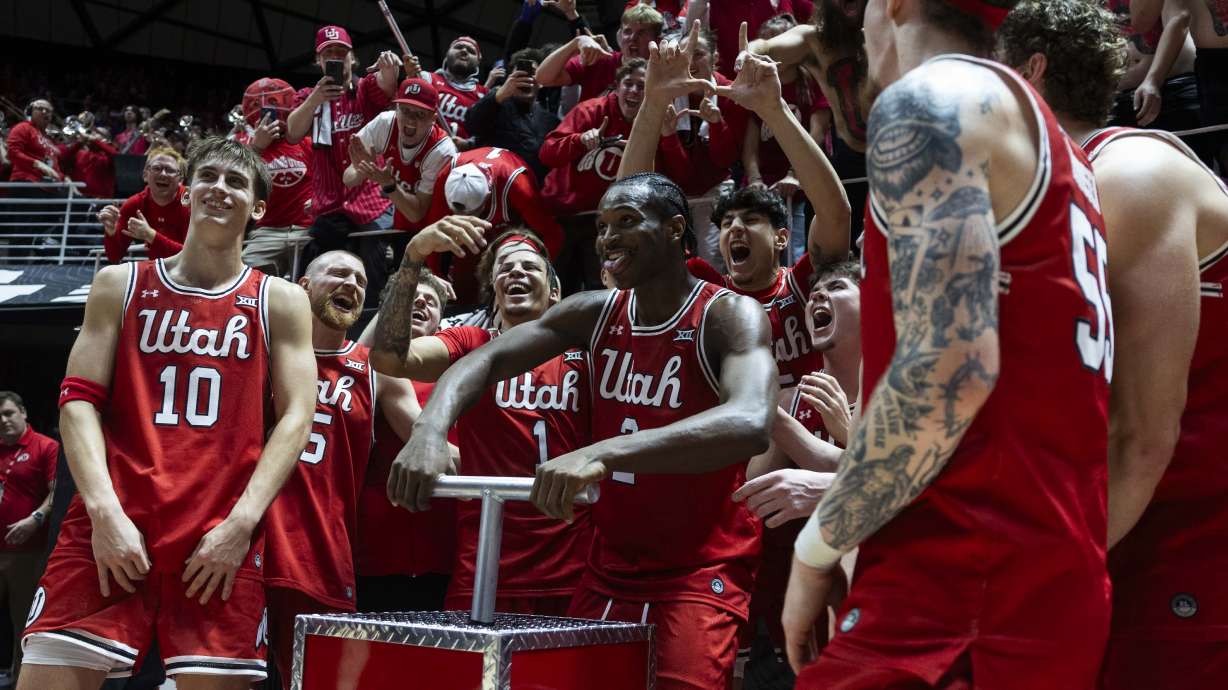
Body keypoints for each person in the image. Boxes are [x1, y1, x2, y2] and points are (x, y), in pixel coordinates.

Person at [779, 0, 1116, 686]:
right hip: (1040, 585)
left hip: (959, 591)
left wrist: (816, 549)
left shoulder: (931, 99)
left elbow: (949, 370)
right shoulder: (1057, 149)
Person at [377, 160, 777, 688]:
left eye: (626, 222)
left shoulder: (728, 315)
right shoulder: (595, 313)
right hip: (607, 568)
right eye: (603, 226)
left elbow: (750, 422)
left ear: (676, 229)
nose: (608, 238)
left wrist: (604, 452)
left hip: (697, 569)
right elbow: (484, 359)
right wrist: (430, 427)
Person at [20, 138, 316, 690]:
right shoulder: (120, 284)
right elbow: (78, 399)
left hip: (217, 530)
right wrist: (104, 514)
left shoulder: (280, 299)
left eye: (236, 182)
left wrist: (242, 525)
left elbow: (297, 417)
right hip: (113, 519)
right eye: (208, 177)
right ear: (186, 192)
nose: (219, 189)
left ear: (257, 208)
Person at [997, 2, 1228, 687]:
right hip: (1122, 522)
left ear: (1031, 75)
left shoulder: (1127, 173)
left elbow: (1143, 435)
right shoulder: (1048, 196)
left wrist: (1029, 587)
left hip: (1191, 539)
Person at [369, 227, 594, 615]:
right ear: (494, 291)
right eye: (504, 268)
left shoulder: (585, 349)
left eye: (530, 267)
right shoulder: (471, 342)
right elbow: (388, 357)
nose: (516, 272)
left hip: (572, 565)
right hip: (484, 562)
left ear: (555, 291)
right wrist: (413, 258)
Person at [617, 22, 850, 389]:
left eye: (752, 219)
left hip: (813, 430)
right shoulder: (707, 290)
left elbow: (835, 213)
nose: (735, 228)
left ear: (782, 239)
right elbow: (628, 218)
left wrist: (775, 111)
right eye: (725, 224)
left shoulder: (805, 285)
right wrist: (653, 102)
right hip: (739, 440)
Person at [263, 250, 422, 690]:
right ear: (303, 286)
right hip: (243, 550)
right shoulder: (258, 350)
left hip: (322, 558)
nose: (352, 283)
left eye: (360, 279)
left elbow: (434, 446)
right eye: (338, 273)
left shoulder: (373, 371)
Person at [733, 259, 860, 686]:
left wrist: (845, 434)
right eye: (815, 293)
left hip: (871, 609)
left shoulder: (899, 386)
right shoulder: (792, 398)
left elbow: (903, 487)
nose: (819, 297)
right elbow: (754, 497)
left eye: (838, 287)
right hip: (789, 616)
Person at [353, 271, 459, 614]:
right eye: (411, 298)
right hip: (376, 549)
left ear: (442, 321)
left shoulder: (459, 375)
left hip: (443, 548)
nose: (420, 303)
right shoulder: (368, 372)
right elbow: (366, 352)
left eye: (430, 301)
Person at [286, 25, 402, 307]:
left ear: (353, 59)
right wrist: (317, 98)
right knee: (324, 278)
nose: (336, 58)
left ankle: (369, 332)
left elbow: (386, 86)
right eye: (329, 55)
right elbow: (292, 132)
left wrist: (391, 68)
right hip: (330, 205)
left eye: (342, 53)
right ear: (319, 61)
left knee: (372, 275)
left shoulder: (365, 88)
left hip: (370, 203)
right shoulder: (308, 97)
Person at [542, 59, 661, 292]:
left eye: (642, 86)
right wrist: (578, 141)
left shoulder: (652, 120)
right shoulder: (591, 110)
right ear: (617, 87)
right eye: (629, 84)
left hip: (604, 221)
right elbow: (547, 153)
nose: (635, 91)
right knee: (554, 287)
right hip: (562, 215)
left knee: (602, 288)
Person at [422, 147, 563, 304]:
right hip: (489, 221)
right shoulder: (446, 176)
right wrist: (437, 275)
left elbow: (553, 234)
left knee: (512, 266)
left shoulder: (518, 186)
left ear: (488, 194)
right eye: (458, 214)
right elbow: (432, 234)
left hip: (512, 228)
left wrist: (542, 274)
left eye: (472, 213)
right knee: (462, 285)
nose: (466, 219)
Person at [344, 77, 457, 246]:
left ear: (433, 118)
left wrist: (389, 184)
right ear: (396, 108)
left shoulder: (442, 151)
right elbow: (348, 179)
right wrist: (363, 169)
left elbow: (417, 213)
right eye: (405, 110)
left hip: (438, 227)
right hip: (403, 219)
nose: (411, 120)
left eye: (419, 114)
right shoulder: (384, 123)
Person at [0, 392, 57, 683]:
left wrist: (34, 519)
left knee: (23, 620)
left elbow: (57, 491)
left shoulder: (45, 447)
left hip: (27, 552)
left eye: (9, 413)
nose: (3, 420)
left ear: (23, 412)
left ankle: (22, 681)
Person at [239, 78, 315, 278]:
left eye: (274, 103)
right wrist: (257, 147)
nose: (268, 109)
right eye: (259, 105)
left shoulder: (305, 142)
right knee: (246, 273)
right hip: (267, 231)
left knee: (315, 277)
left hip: (306, 228)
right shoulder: (248, 147)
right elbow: (238, 180)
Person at [464, 47, 562, 183]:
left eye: (532, 73)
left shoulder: (552, 122)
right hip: (489, 183)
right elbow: (471, 126)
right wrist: (499, 95)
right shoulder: (497, 102)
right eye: (520, 73)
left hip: (527, 193)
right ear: (510, 77)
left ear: (541, 82)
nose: (526, 77)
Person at [535, 3, 665, 103]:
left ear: (657, 40)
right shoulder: (600, 60)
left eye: (642, 33)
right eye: (627, 31)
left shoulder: (664, 74)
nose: (633, 38)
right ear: (619, 35)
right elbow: (543, 78)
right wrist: (575, 43)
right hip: (587, 135)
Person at [98, 147, 190, 264]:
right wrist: (111, 233)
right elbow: (114, 256)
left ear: (180, 179)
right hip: (158, 272)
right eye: (157, 168)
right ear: (145, 175)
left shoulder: (191, 204)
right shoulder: (134, 204)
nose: (163, 174)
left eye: (170, 170)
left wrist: (151, 236)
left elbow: (192, 258)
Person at [415, 36, 489, 149]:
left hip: (460, 161)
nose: (464, 51)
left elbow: (490, 134)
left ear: (478, 60)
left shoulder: (486, 95)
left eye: (471, 51)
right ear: (447, 53)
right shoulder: (426, 78)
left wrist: (469, 144)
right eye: (459, 47)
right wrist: (411, 78)